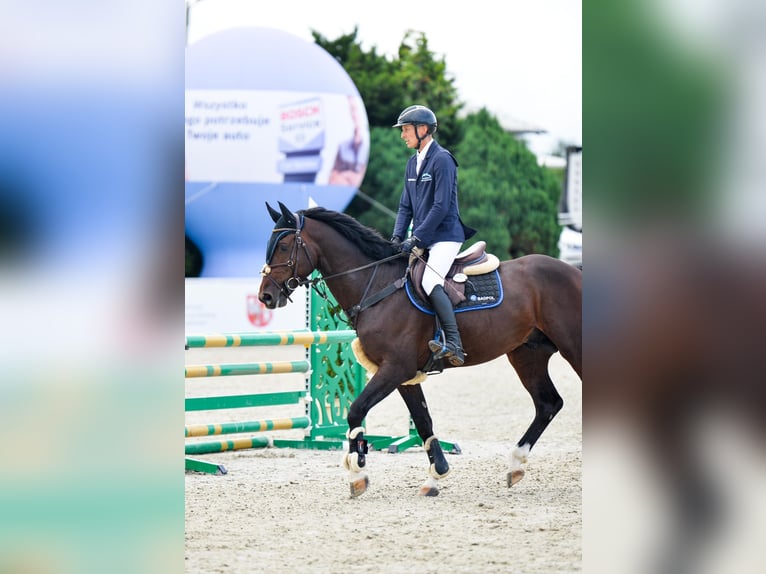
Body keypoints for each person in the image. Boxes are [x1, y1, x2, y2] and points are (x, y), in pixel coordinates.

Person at [390, 105, 476, 366]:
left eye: (406, 129)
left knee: (429, 281)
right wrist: (395, 239)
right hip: (425, 236)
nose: (403, 135)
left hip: (446, 236)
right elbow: (406, 206)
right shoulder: (412, 163)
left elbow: (441, 207)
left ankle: (454, 343)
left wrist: (416, 238)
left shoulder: (442, 159)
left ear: (423, 129)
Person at [328, 96, 369, 187]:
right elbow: (332, 179)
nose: (354, 115)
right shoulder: (342, 146)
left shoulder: (366, 147)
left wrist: (345, 176)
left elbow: (358, 178)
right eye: (351, 111)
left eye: (355, 110)